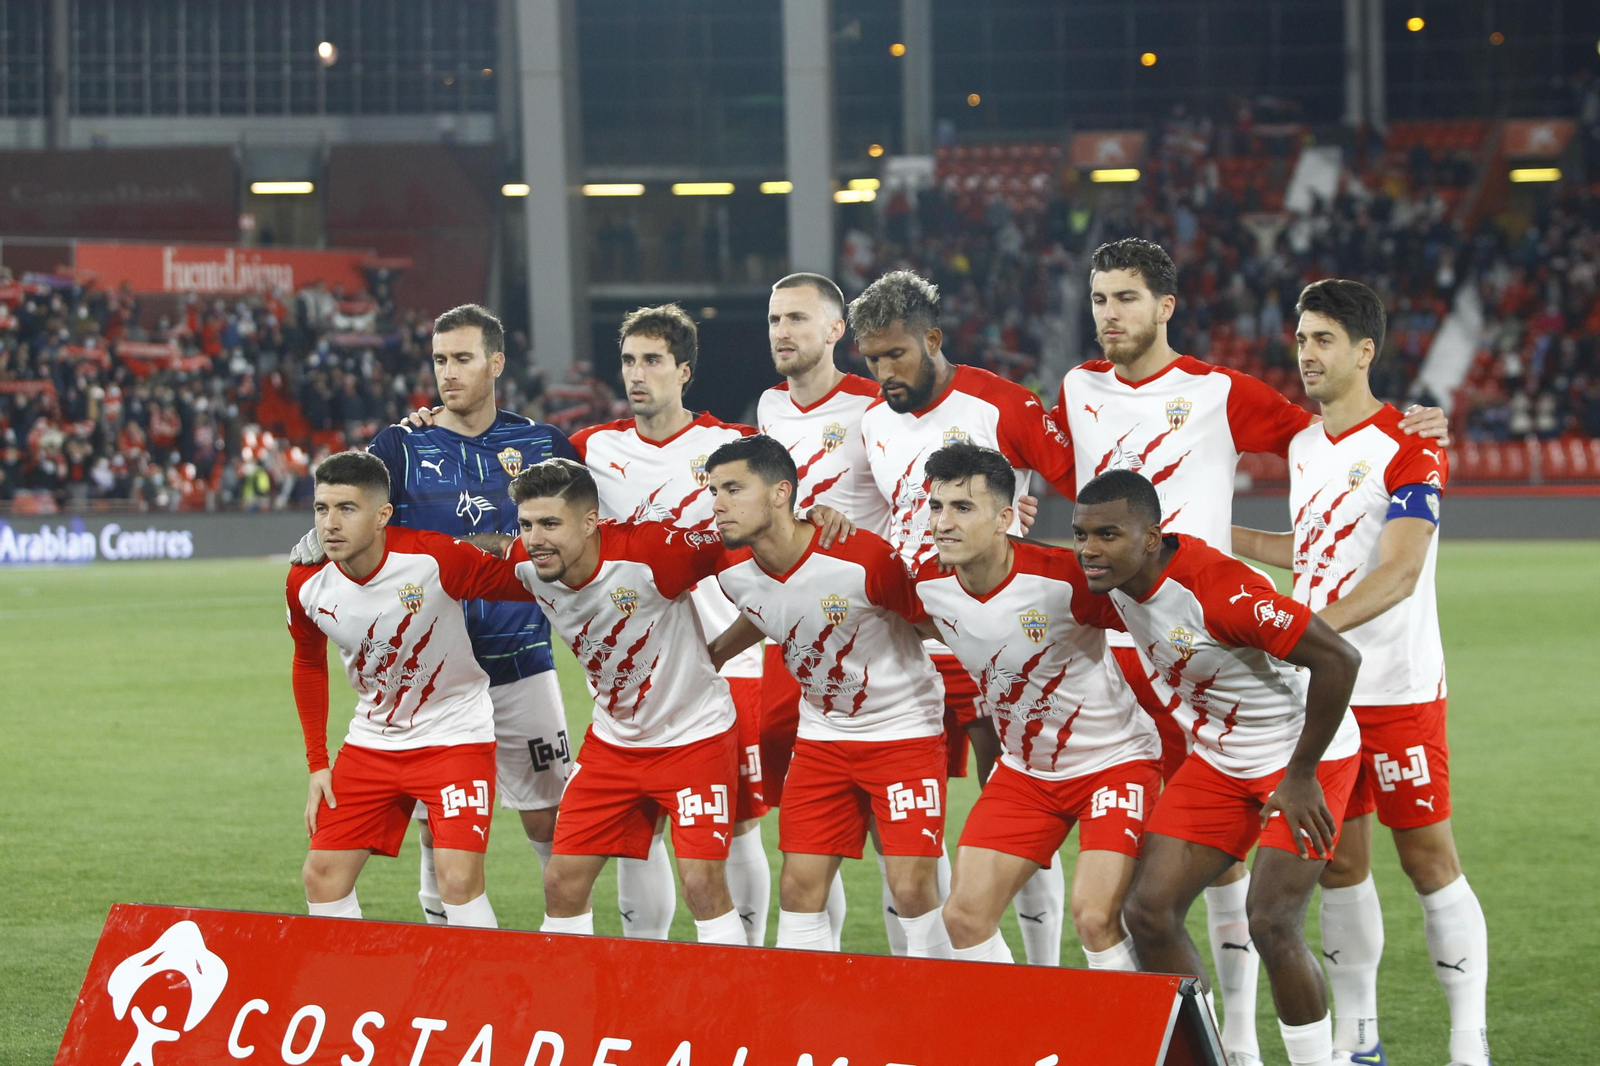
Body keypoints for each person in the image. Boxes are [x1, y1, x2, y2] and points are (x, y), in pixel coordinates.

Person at [1048, 238, 1450, 1064]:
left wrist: (1417, 431)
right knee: (1148, 911)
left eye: (1127, 297)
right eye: (1099, 298)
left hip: (1290, 730)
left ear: (1164, 306)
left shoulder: (1218, 404)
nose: (1109, 314)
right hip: (1201, 720)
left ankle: (1321, 1048)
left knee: (1271, 916)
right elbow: (1029, 450)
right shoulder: (1079, 399)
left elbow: (1334, 432)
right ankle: (1221, 1052)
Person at [1231, 279, 1488, 1066]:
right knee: (1340, 861)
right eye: (1301, 339)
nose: (1306, 355)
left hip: (1399, 688)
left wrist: (1300, 633)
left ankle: (1467, 1041)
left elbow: (1400, 572)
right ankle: (1361, 1038)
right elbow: (1307, 547)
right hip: (1327, 696)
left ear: (1364, 351)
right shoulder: (1307, 446)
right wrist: (1220, 534)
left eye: (1323, 341)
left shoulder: (1411, 445)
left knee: (1428, 859)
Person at [1073, 469, 1364, 1066]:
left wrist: (1302, 772)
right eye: (1080, 535)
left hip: (1303, 756)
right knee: (1147, 912)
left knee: (1272, 923)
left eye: (1107, 535)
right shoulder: (1114, 578)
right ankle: (1209, 1058)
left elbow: (1339, 658)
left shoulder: (1220, 591)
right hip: (1221, 757)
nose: (1088, 551)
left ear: (1151, 537)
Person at [298, 303, 576, 926]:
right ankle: (445, 964)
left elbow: (577, 540)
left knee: (550, 818)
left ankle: (566, 944)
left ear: (496, 362)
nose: (448, 373)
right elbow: (355, 515)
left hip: (520, 660)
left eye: (463, 359)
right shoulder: (401, 444)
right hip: (432, 679)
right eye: (440, 360)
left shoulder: (541, 443)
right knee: (437, 833)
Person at [851, 268, 1079, 966]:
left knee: (1016, 814)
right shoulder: (870, 423)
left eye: (897, 354)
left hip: (993, 645)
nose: (885, 371)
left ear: (933, 338)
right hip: (908, 643)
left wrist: (1023, 530)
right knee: (906, 831)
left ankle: (1040, 981)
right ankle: (950, 975)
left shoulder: (1003, 404)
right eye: (872, 359)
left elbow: (1087, 486)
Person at [701, 434, 952, 958]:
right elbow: (772, 607)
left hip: (902, 731)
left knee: (911, 889)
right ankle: (802, 1020)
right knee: (798, 887)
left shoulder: (861, 557)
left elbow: (931, 621)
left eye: (732, 488)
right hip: (822, 736)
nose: (718, 503)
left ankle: (943, 1011)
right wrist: (716, 652)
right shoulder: (732, 573)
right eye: (712, 491)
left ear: (779, 493)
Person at [568, 304, 772, 945]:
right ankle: (643, 965)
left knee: (735, 827)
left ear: (683, 370)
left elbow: (778, 554)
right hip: (634, 671)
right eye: (628, 360)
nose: (637, 373)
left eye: (653, 360)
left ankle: (750, 964)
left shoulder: (731, 448)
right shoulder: (591, 451)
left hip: (726, 663)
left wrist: (720, 649)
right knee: (635, 828)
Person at [915, 443, 1161, 968]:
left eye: (963, 508)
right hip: (1026, 773)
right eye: (936, 506)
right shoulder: (927, 586)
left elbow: (1159, 624)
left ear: (1007, 518)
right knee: (962, 917)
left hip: (1113, 765)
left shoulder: (1065, 577)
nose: (942, 522)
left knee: (1096, 918)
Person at [286, 450, 540, 930]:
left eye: (347, 508)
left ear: (383, 515)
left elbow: (522, 581)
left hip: (454, 735)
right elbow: (307, 661)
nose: (330, 524)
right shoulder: (305, 582)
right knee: (321, 875)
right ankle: (351, 991)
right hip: (373, 741)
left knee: (459, 882)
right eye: (322, 509)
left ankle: (479, 999)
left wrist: (531, 539)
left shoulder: (432, 558)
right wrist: (318, 763)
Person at [499, 458, 746, 946]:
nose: (535, 538)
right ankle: (566, 1005)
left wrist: (812, 521)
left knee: (701, 885)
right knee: (561, 881)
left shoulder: (650, 551)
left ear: (591, 521)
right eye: (526, 524)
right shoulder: (529, 567)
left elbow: (749, 548)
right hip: (613, 745)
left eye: (550, 523)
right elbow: (465, 558)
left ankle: (728, 1011)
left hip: (694, 740)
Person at [757, 271, 908, 951]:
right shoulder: (767, 409)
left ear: (835, 330)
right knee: (809, 840)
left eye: (796, 318)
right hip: (791, 654)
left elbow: (921, 489)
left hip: (871, 652)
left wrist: (1015, 503)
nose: (781, 332)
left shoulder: (876, 407)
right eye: (773, 320)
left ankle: (923, 996)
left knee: (897, 852)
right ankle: (824, 984)